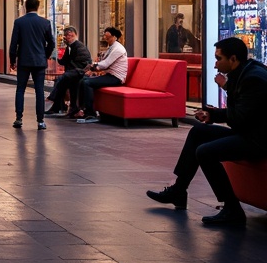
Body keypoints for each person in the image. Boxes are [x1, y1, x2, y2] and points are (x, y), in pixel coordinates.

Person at [147, 37, 267, 226]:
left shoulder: (254, 78)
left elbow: (239, 119)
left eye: (219, 59)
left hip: (258, 140)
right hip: (248, 133)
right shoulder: (244, 72)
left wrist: (226, 88)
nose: (215, 65)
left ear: (233, 59)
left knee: (205, 152)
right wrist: (211, 115)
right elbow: (240, 115)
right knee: (198, 132)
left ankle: (232, 208)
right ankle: (179, 190)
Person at [9, 0, 55, 130]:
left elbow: (14, 44)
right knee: (39, 91)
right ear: (38, 7)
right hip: (39, 61)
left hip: (23, 60)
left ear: (25, 7)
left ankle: (19, 118)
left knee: (20, 89)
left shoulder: (19, 22)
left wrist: (13, 60)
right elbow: (51, 43)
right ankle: (40, 121)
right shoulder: (45, 22)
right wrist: (45, 55)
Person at [76, 26, 128, 122]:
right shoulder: (111, 48)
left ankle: (91, 114)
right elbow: (103, 63)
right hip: (110, 75)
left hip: (116, 77)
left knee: (87, 82)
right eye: (105, 36)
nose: (105, 38)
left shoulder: (118, 49)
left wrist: (93, 66)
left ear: (115, 37)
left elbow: (106, 64)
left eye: (108, 37)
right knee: (83, 80)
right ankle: (81, 109)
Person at [46, 26, 92, 116]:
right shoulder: (70, 47)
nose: (67, 37)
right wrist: (56, 57)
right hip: (73, 72)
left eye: (69, 35)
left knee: (63, 78)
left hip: (79, 72)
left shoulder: (79, 46)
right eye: (66, 35)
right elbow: (64, 61)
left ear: (74, 35)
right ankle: (59, 106)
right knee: (60, 80)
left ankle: (53, 100)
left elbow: (84, 63)